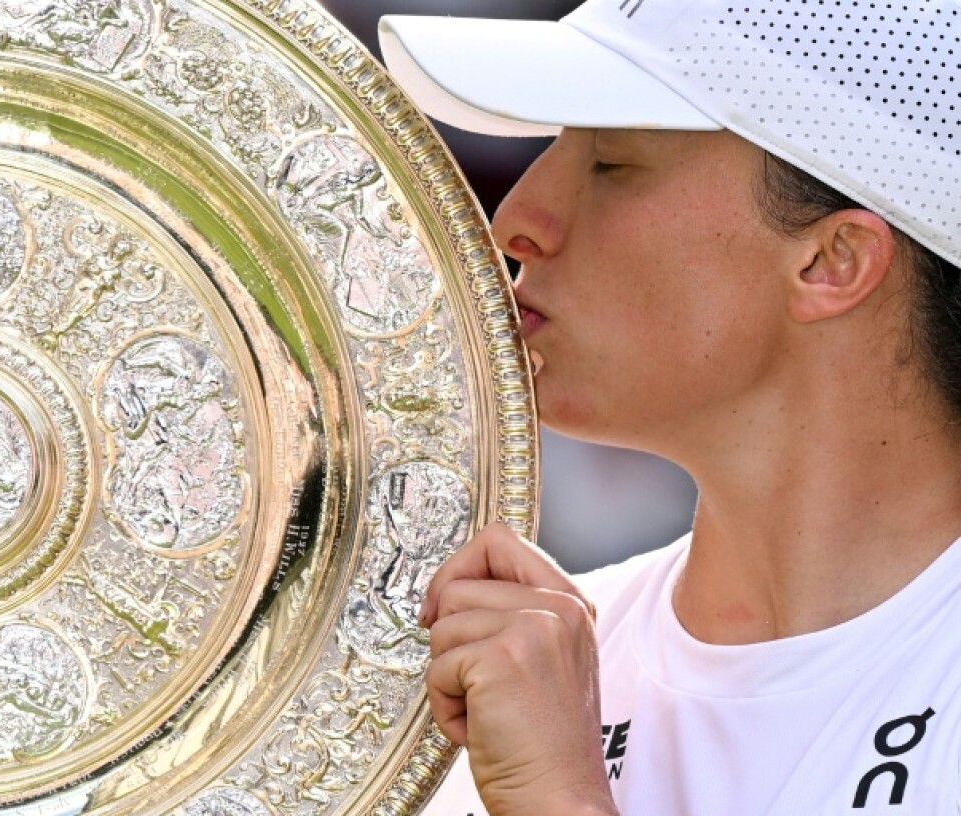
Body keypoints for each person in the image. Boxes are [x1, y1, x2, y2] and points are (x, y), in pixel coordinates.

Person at [378, 1, 961, 814]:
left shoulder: (527, 702)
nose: (515, 223)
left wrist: (557, 796)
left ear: (832, 262)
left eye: (612, 162)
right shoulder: (512, 664)